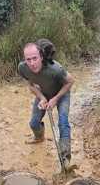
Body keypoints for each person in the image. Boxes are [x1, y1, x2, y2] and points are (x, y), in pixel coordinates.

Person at [18, 39, 74, 167]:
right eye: (28, 59)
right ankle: (39, 137)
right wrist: (42, 97)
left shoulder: (55, 69)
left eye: (35, 58)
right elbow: (31, 85)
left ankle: (65, 158)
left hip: (61, 94)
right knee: (33, 123)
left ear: (41, 57)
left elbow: (70, 81)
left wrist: (55, 99)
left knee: (63, 122)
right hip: (44, 94)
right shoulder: (23, 68)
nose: (32, 63)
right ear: (24, 60)